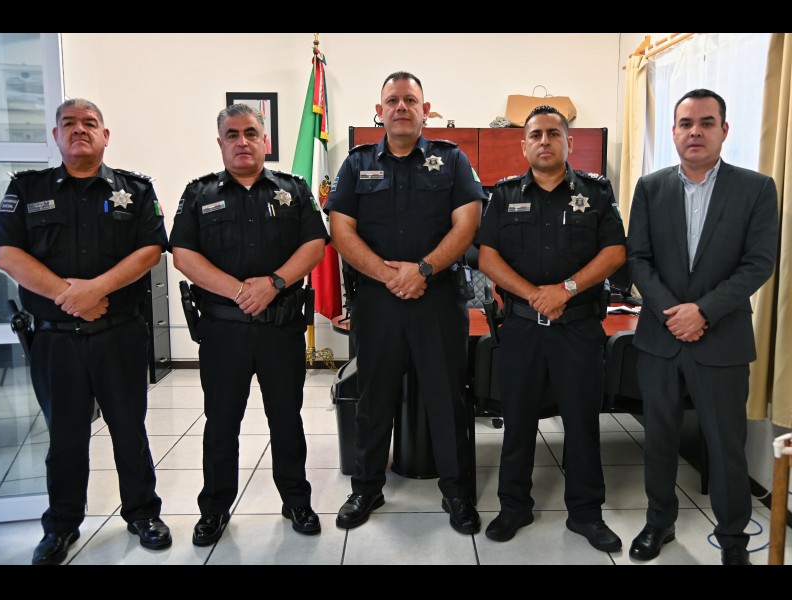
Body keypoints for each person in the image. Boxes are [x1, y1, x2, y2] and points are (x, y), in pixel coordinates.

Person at [0, 98, 172, 565]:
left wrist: (96, 289)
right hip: (55, 338)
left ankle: (143, 514)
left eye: (90, 123)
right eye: (68, 123)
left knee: (129, 430)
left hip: (119, 334)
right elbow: (7, 253)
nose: (79, 130)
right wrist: (68, 295)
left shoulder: (135, 189)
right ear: (55, 135)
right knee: (65, 437)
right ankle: (61, 525)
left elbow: (151, 249)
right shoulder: (26, 189)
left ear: (105, 135)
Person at [326, 71, 484, 534]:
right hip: (378, 303)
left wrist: (423, 270)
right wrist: (390, 275)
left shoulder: (451, 160)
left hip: (438, 300)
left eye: (410, 100)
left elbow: (468, 223)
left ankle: (457, 492)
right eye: (392, 100)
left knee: (447, 398)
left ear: (425, 110)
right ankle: (366, 487)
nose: (401, 107)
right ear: (379, 112)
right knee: (374, 398)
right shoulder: (356, 163)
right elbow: (340, 230)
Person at [626, 89, 778, 566]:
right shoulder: (650, 188)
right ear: (673, 132)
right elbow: (638, 259)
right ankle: (659, 522)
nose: (695, 131)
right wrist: (675, 312)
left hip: (723, 340)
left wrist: (704, 312)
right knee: (659, 440)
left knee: (726, 446)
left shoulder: (756, 188)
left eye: (707, 123)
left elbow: (759, 262)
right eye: (686, 123)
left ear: (724, 130)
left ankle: (733, 539)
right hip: (660, 338)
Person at [169, 103, 328, 545]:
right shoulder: (199, 193)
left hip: (281, 327)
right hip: (224, 331)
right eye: (233, 134)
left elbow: (315, 244)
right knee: (221, 422)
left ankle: (296, 500)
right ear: (220, 143)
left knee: (287, 419)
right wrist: (242, 291)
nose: (242, 141)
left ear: (265, 140)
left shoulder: (293, 190)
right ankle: (214, 508)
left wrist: (274, 284)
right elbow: (183, 255)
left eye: (251, 133)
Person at [476, 105, 626, 552]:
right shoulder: (504, 195)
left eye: (553, 134)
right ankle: (513, 506)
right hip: (523, 328)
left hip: (578, 329)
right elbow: (487, 257)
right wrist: (534, 294)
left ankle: (586, 513)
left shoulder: (596, 192)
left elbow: (615, 251)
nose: (545, 141)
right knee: (518, 420)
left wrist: (565, 290)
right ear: (524, 145)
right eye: (536, 134)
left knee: (581, 423)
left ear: (568, 143)